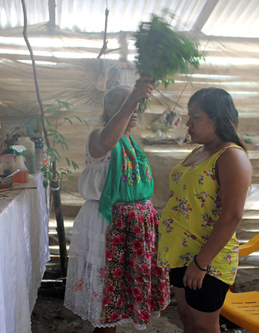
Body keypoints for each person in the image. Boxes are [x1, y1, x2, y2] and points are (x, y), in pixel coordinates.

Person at [64, 77, 170, 332]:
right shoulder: (100, 136)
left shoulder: (131, 142)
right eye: (125, 103)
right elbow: (106, 144)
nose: (134, 110)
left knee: (121, 297)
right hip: (109, 226)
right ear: (109, 108)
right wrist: (134, 96)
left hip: (131, 231)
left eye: (136, 105)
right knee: (107, 301)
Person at [157, 87, 252, 333]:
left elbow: (232, 215)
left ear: (217, 118)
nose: (187, 123)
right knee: (187, 318)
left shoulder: (231, 156)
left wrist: (201, 263)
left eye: (195, 117)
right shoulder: (199, 151)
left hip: (207, 258)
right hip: (181, 253)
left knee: (204, 325)